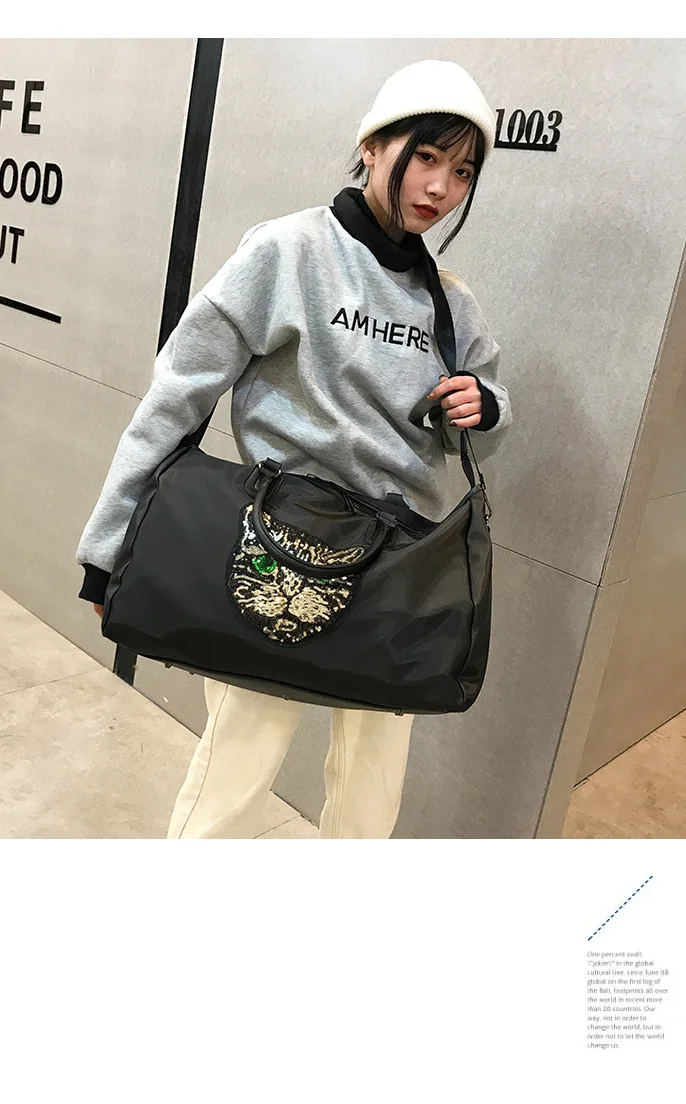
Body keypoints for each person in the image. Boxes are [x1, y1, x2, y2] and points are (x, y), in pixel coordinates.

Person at [76, 59, 514, 839]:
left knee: (370, 796)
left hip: (399, 566)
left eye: (462, 171)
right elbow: (178, 395)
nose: (440, 187)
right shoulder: (287, 251)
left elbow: (482, 415)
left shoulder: (452, 301)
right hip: (278, 548)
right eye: (425, 156)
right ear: (372, 146)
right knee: (234, 775)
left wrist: (485, 406)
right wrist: (108, 550)